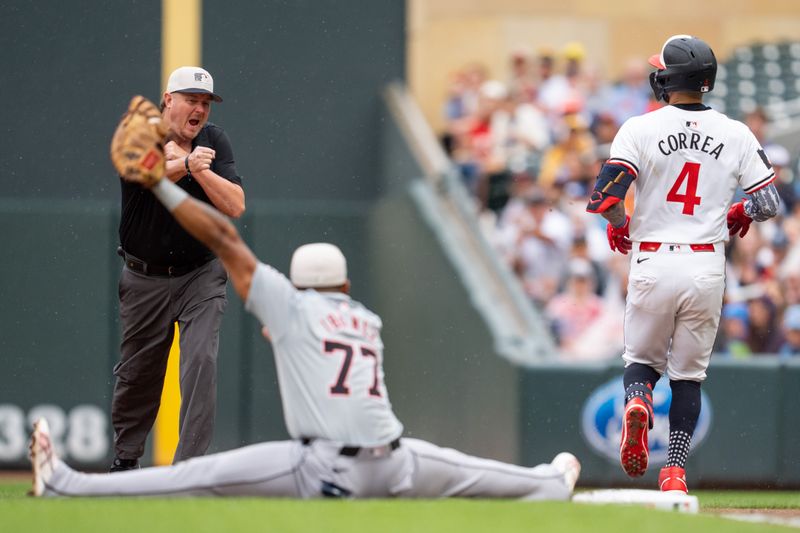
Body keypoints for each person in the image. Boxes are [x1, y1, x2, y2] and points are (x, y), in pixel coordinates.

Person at [28, 170, 579, 499]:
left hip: (323, 466)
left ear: (299, 282)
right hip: (395, 461)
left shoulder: (289, 304)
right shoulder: (367, 318)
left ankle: (69, 484)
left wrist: (160, 185)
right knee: (480, 476)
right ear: (344, 282)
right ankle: (551, 482)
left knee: (197, 476)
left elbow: (223, 234)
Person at [586, 35, 779, 493]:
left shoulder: (639, 127)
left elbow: (607, 196)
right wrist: (740, 211)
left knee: (641, 362)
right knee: (688, 376)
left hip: (653, 257)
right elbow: (768, 200)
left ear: (667, 79)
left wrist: (619, 224)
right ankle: (674, 471)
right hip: (706, 264)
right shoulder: (736, 131)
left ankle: (638, 400)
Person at [111, 66, 245, 471]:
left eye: (205, 103)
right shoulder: (141, 133)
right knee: (139, 373)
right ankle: (125, 459)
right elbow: (145, 174)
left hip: (200, 274)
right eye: (191, 100)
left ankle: (188, 469)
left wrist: (199, 168)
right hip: (144, 275)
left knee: (200, 363)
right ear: (168, 100)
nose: (199, 110)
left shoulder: (213, 141)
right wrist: (187, 164)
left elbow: (236, 204)